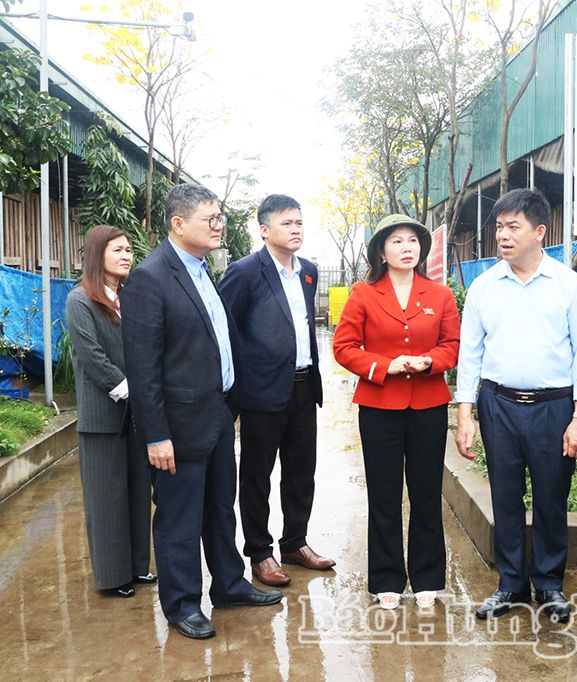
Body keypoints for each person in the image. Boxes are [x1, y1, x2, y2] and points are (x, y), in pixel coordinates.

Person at [121, 183, 283, 640]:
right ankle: (182, 604)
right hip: (176, 426)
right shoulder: (150, 278)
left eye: (220, 218)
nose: (219, 226)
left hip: (214, 417)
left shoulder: (203, 270)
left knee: (219, 509)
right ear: (178, 224)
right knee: (178, 519)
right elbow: (143, 367)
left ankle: (229, 585)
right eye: (209, 219)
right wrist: (155, 435)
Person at [455, 188, 577, 624]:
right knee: (505, 496)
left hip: (554, 408)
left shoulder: (568, 285)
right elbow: (470, 354)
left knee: (552, 497)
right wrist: (465, 414)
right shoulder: (484, 286)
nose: (503, 235)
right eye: (499, 227)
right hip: (498, 404)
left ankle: (550, 584)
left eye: (513, 226)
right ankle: (511, 584)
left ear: (539, 232)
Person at [333, 214, 460, 610]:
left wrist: (428, 362)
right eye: (397, 242)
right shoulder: (364, 293)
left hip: (427, 405)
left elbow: (453, 344)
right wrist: (385, 366)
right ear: (382, 252)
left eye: (413, 241)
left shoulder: (440, 295)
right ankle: (386, 578)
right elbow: (344, 346)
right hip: (379, 407)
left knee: (425, 493)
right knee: (384, 494)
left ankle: (427, 578)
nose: (407, 248)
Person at [219, 194, 334, 588]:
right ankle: (260, 552)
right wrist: (235, 387)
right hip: (261, 394)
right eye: (287, 223)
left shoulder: (309, 272)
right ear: (265, 230)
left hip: (303, 387)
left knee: (302, 473)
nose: (296, 229)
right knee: (256, 476)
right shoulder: (245, 272)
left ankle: (295, 542)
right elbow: (225, 332)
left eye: (300, 222)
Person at [65, 225, 155, 599]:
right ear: (97, 253)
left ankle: (137, 567)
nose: (126, 256)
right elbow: (92, 355)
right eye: (117, 249)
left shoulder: (129, 298)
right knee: (106, 498)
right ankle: (112, 576)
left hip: (134, 414)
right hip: (102, 415)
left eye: (129, 249)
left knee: (136, 491)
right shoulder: (80, 300)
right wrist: (132, 389)